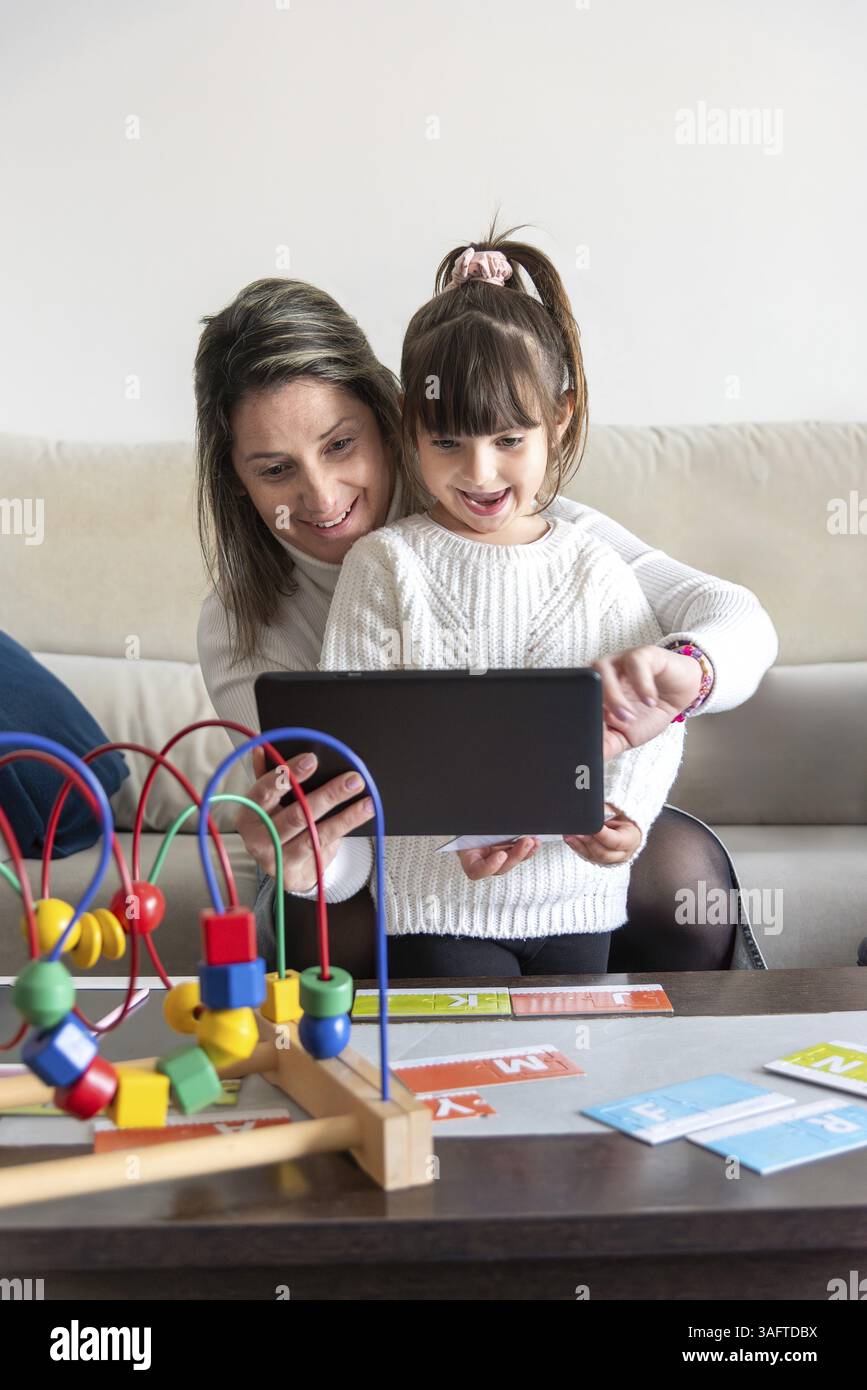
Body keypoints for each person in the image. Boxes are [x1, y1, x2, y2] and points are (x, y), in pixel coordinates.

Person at [194, 262, 778, 975]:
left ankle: (667, 1070)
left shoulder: (528, 522)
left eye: (340, 444)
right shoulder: (241, 620)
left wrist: (685, 669)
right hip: (364, 878)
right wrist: (300, 858)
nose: (321, 495)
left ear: (393, 418)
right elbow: (343, 861)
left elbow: (738, 620)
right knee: (322, 926)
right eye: (274, 469)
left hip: (552, 864)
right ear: (237, 477)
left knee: (683, 875)